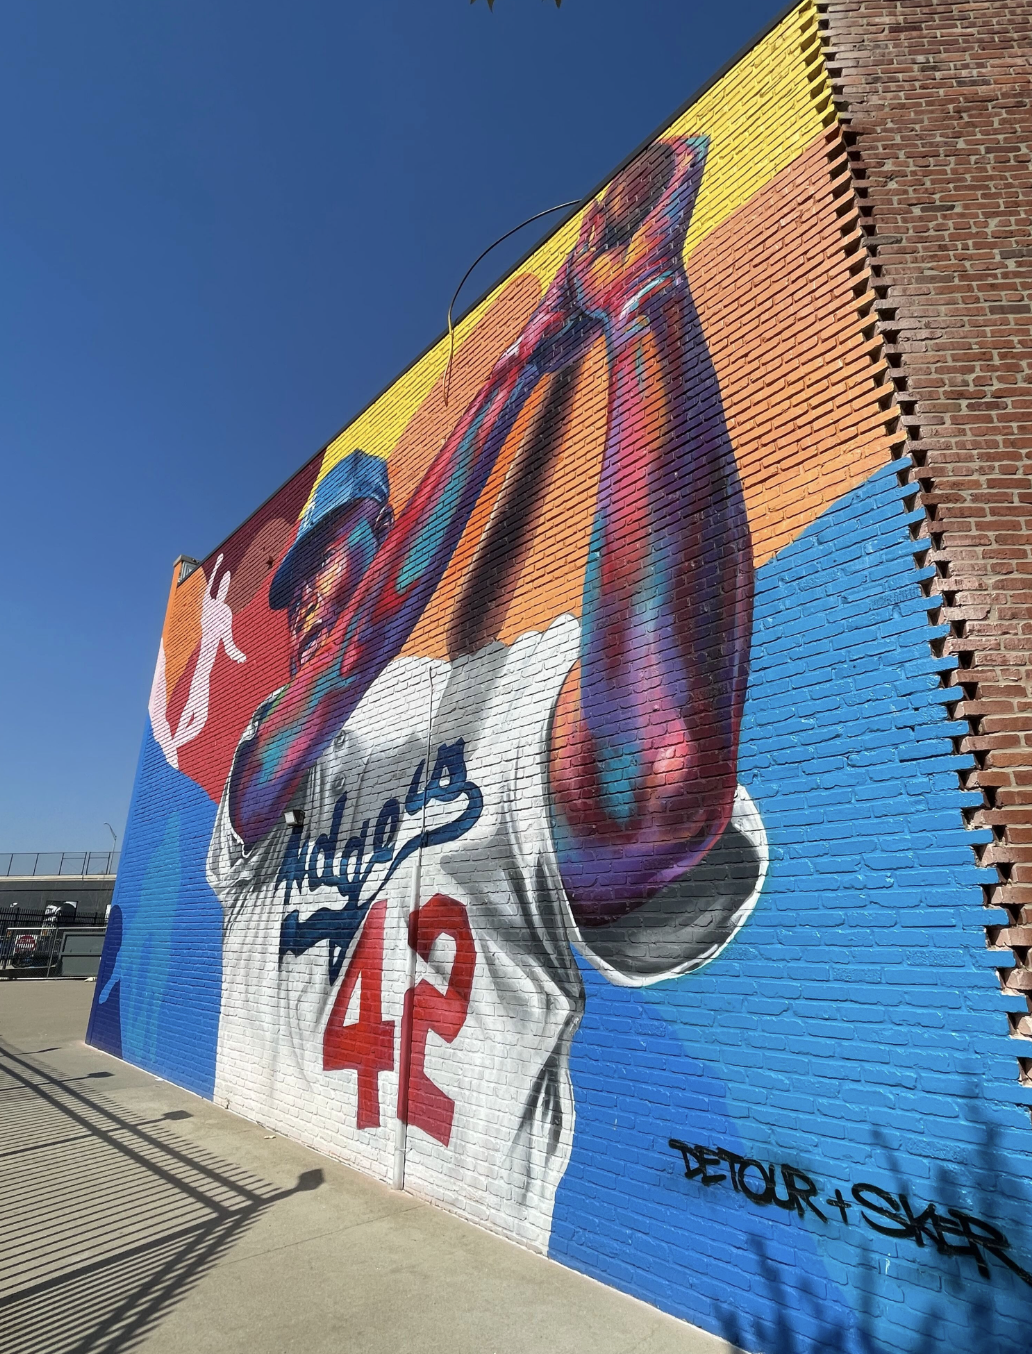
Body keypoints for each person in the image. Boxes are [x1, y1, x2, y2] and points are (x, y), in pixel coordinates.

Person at [207, 134, 767, 1250]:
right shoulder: (275, 744)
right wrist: (518, 365)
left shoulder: (506, 693)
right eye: (296, 582)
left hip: (465, 1258)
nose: (308, 594)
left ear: (392, 534)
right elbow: (358, 645)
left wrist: (644, 300)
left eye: (333, 552)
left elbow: (651, 772)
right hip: (262, 1199)